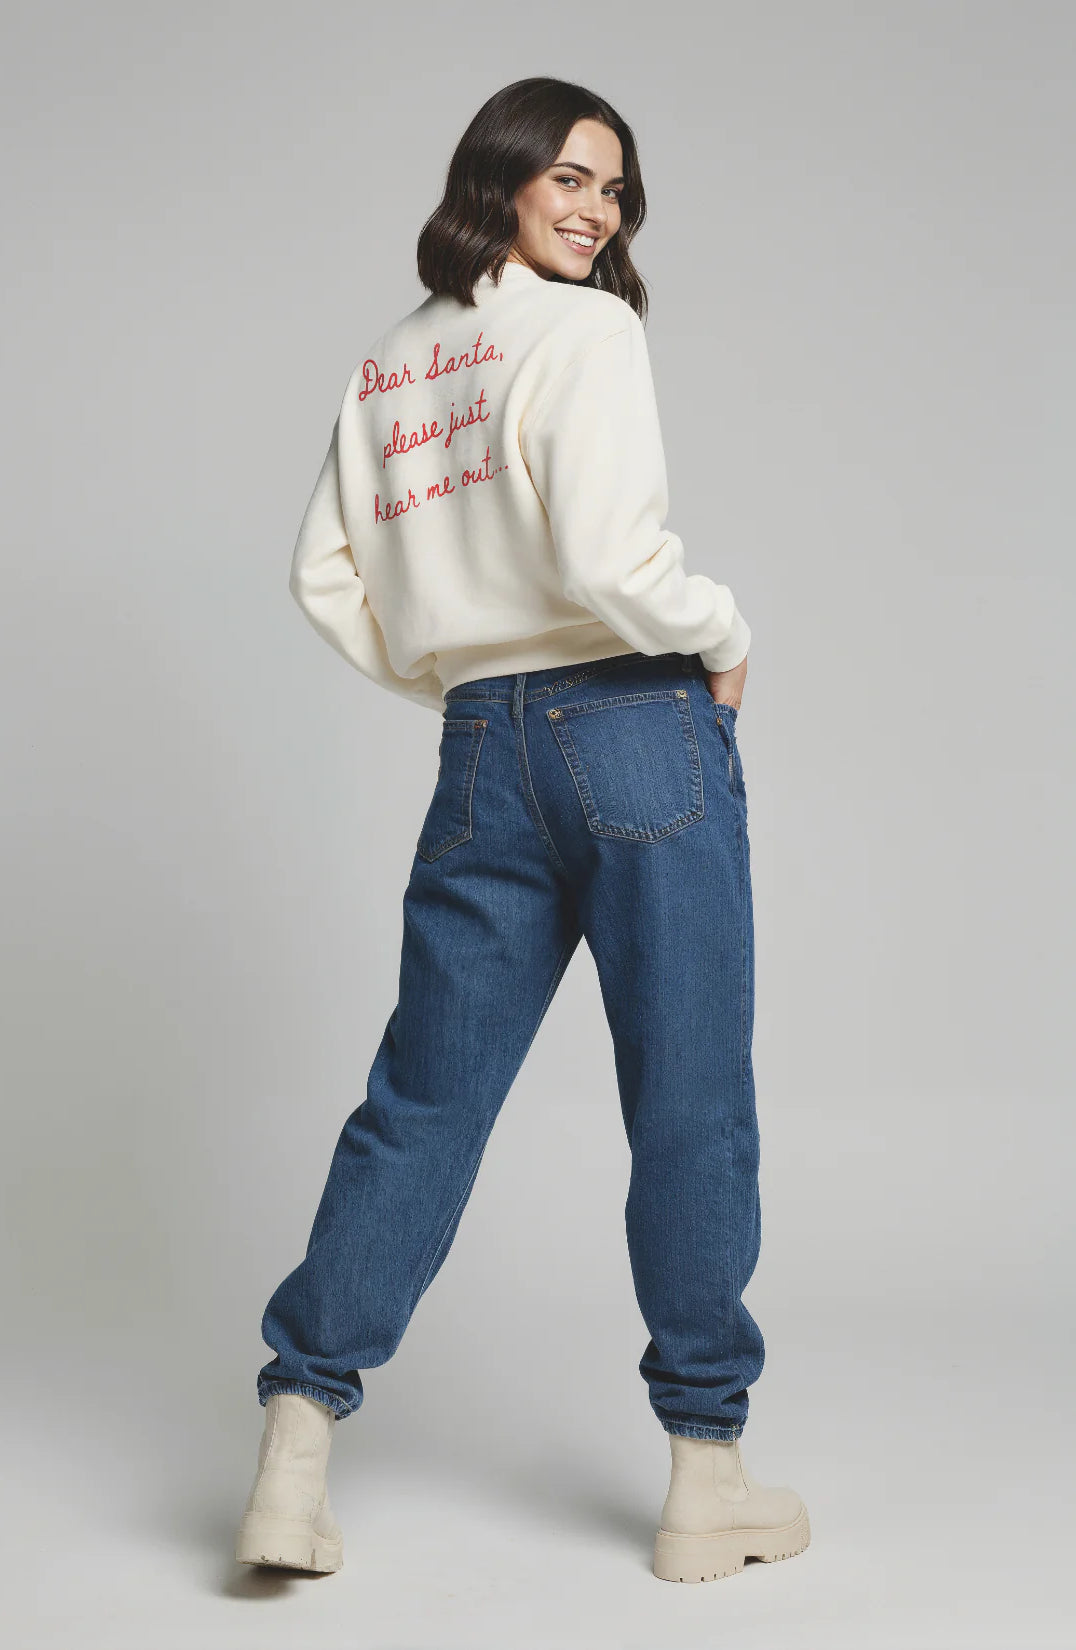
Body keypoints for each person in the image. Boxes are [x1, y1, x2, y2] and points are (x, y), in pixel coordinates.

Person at [235, 75, 810, 1586]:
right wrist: (726, 629)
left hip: (484, 745)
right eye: (569, 176)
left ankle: (295, 1443)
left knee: (422, 1100)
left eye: (614, 190)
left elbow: (323, 574)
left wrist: (455, 673)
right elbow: (615, 559)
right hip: (636, 727)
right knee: (689, 1096)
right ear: (498, 176)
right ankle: (708, 1474)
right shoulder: (589, 333)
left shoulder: (393, 361)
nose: (596, 211)